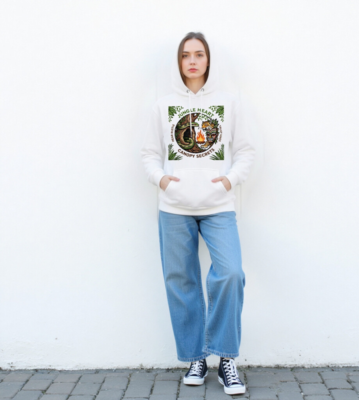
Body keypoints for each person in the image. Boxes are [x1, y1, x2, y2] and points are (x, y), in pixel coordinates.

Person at [140, 31, 255, 396]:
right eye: (186, 55)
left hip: (219, 205)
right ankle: (195, 358)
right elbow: (149, 153)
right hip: (174, 207)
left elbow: (246, 150)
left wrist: (229, 180)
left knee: (230, 274)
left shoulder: (228, 103)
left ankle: (226, 358)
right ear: (178, 61)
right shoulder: (163, 106)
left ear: (209, 60)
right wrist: (162, 180)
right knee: (182, 282)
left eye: (199, 54)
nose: (192, 61)